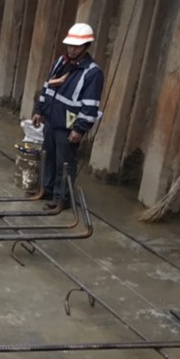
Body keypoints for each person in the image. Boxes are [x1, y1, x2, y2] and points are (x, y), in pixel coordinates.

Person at [31, 23, 104, 215]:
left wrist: (79, 129)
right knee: (48, 156)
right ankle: (46, 190)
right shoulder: (60, 63)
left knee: (64, 163)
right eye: (70, 45)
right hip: (51, 120)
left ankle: (61, 198)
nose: (72, 49)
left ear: (86, 46)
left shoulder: (92, 73)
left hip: (68, 126)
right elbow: (48, 88)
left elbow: (90, 105)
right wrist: (39, 110)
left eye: (76, 46)